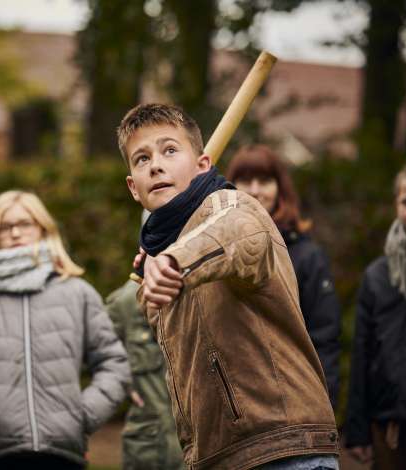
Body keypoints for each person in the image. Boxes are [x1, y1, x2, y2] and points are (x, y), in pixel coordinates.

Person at [117, 103, 338, 469]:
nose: (155, 164)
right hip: (217, 457)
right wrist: (154, 271)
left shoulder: (235, 206)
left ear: (203, 164)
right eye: (141, 159)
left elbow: (236, 233)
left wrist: (174, 260)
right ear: (133, 188)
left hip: (281, 450)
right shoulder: (161, 252)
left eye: (170, 150)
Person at [0, 190, 130, 470]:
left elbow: (115, 364)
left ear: (42, 229)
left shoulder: (78, 293)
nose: (15, 233)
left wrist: (80, 416)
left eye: (25, 224)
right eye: (4, 226)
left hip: (63, 455)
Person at [226, 144, 342, 409]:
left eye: (265, 180)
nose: (255, 190)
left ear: (280, 189)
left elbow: (324, 336)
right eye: (245, 180)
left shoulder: (307, 256)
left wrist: (324, 403)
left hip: (293, 397)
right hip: (236, 400)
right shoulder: (215, 252)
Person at [345, 161, 406, 469]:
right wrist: (356, 430)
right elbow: (362, 352)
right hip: (388, 425)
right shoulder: (377, 276)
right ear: (396, 204)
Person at [106, 212, 184, 470]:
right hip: (152, 452)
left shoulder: (215, 290)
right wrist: (119, 384)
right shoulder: (124, 303)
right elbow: (95, 357)